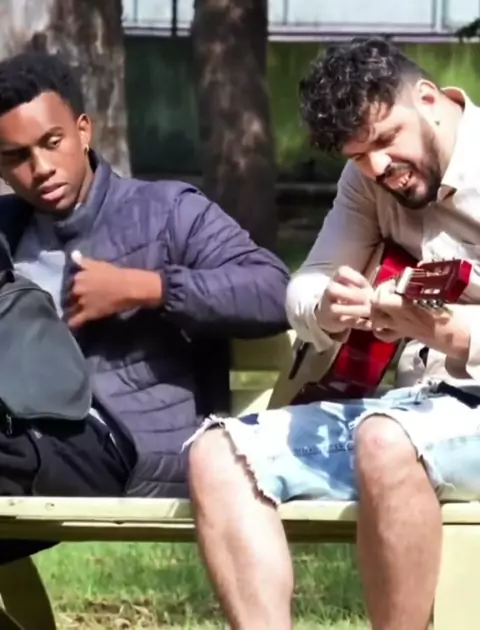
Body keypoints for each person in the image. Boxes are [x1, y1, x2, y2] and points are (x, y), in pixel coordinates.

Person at [187, 36, 480, 630]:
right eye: (358, 155)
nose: (378, 168)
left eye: (386, 140)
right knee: (218, 454)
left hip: (419, 423)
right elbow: (306, 285)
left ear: (428, 99)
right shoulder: (368, 179)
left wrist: (455, 336)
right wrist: (328, 306)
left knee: (385, 439)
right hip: (416, 411)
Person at [0, 49, 290, 560]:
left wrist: (147, 288)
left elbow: (274, 290)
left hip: (126, 440)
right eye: (16, 157)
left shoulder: (165, 211)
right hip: (21, 432)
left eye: (51, 142)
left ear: (83, 131)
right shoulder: (5, 229)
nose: (40, 168)